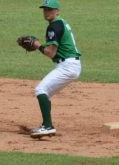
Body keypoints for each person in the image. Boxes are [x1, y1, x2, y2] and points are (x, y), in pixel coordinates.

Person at [30, 0, 82, 138]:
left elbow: (50, 52)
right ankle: (46, 125)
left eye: (50, 9)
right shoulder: (60, 23)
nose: (47, 12)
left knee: (40, 90)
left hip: (68, 66)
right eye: (45, 9)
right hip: (70, 65)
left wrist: (37, 45)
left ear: (57, 11)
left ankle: (48, 126)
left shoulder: (55, 26)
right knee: (45, 93)